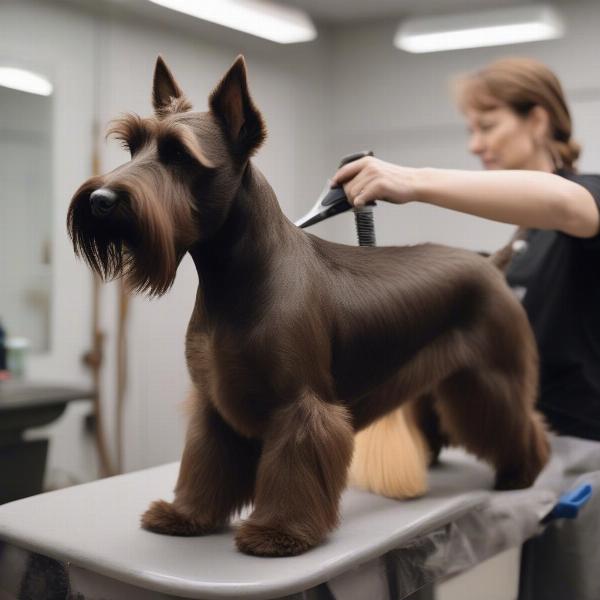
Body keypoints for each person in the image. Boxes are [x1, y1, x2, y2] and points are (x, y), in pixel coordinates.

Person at [332, 57, 600, 442]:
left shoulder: (585, 196)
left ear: (538, 121)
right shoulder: (524, 241)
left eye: (487, 127)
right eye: (471, 130)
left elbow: (564, 203)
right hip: (528, 444)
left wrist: (412, 180)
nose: (475, 144)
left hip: (581, 455)